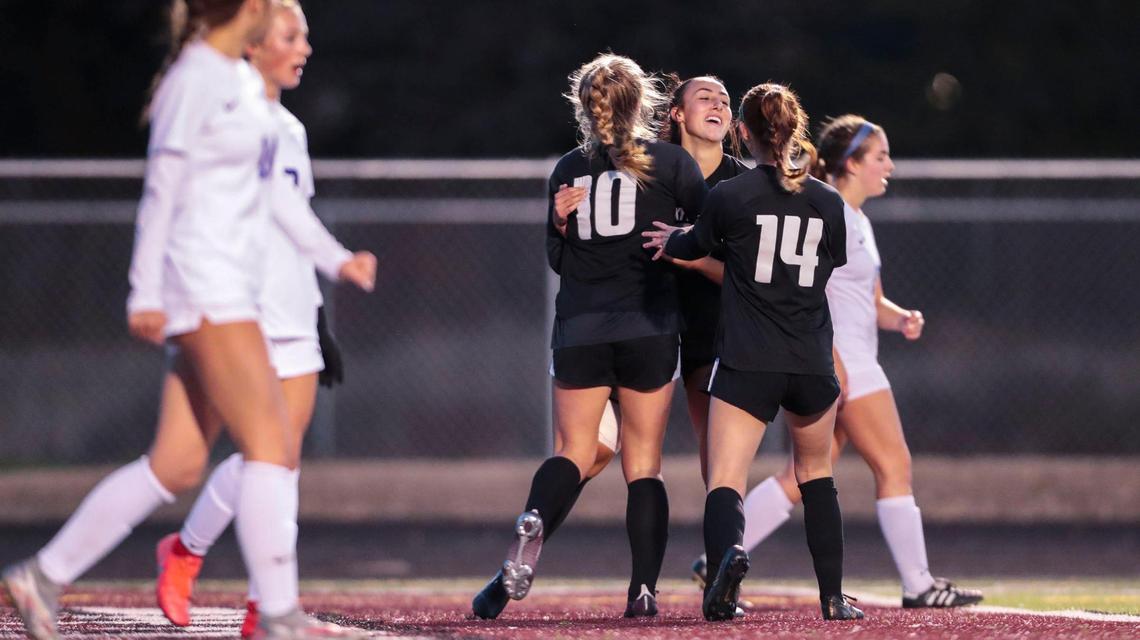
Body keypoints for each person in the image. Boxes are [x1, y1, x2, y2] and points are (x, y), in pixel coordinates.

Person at [1, 2, 373, 639]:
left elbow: (277, 196)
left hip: (231, 290)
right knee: (270, 447)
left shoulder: (233, 81)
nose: (299, 40)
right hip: (206, 285)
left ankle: (42, 575)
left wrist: (336, 261)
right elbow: (162, 188)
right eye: (286, 26)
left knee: (173, 466)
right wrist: (144, 289)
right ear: (246, 11)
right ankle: (278, 615)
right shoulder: (196, 76)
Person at [149, 2, 377, 637]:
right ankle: (197, 559)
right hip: (240, 304)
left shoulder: (288, 128)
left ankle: (260, 604)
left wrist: (318, 294)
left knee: (278, 459)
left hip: (289, 307)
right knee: (257, 455)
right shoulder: (224, 105)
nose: (303, 46)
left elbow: (290, 222)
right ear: (252, 40)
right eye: (289, 34)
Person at [471, 53, 707, 621]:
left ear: (585, 106)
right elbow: (704, 239)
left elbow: (560, 260)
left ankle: (525, 537)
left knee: (575, 451)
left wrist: (558, 223)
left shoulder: (568, 171)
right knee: (642, 463)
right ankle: (643, 592)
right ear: (644, 103)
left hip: (580, 329)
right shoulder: (672, 164)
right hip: (650, 327)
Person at [726, 114, 983, 609]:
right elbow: (809, 289)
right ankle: (919, 584)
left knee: (803, 474)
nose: (889, 165)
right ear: (850, 163)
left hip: (851, 358)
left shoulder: (858, 218)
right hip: (846, 362)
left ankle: (720, 554)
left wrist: (900, 317)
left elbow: (870, 298)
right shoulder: (830, 210)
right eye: (880, 156)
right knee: (894, 464)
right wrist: (834, 358)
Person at [643, 82, 863, 621]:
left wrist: (668, 241)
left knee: (725, 477)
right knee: (817, 475)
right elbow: (829, 260)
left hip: (748, 359)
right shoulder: (828, 200)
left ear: (743, 131)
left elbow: (691, 245)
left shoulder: (731, 195)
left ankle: (724, 584)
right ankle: (833, 597)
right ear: (795, 129)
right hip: (810, 359)